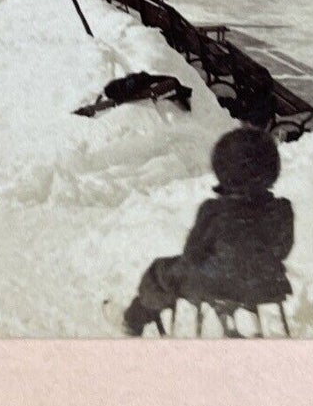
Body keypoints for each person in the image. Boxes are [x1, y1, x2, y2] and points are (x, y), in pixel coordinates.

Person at [122, 127, 294, 336]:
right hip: (265, 284)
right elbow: (281, 249)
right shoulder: (281, 210)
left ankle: (135, 319)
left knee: (160, 272)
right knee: (233, 276)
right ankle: (242, 316)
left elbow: (192, 254)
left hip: (212, 282)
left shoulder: (215, 211)